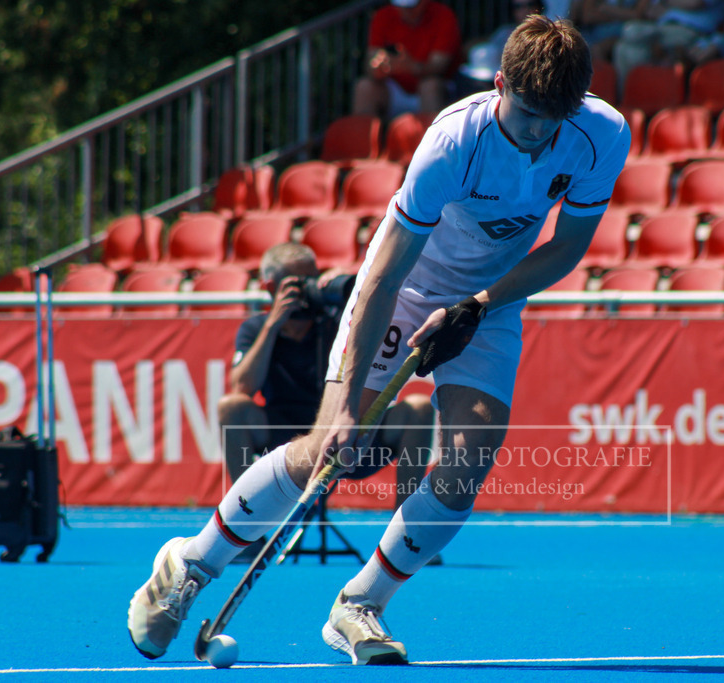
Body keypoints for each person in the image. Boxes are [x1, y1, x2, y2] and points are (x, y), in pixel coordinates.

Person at [128, 15, 631, 665]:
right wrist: (342, 408)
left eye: (552, 120)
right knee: (326, 448)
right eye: (528, 114)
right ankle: (191, 562)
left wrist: (477, 307)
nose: (538, 136)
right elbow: (382, 277)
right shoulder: (453, 142)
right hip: (407, 286)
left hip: (491, 300)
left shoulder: (600, 134)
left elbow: (566, 248)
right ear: (500, 83)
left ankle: (359, 604)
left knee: (470, 456)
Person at [218, 243, 435, 562]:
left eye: (311, 280)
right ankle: (247, 531)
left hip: (349, 433)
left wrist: (347, 289)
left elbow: (377, 312)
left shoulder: (337, 322)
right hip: (286, 444)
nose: (305, 291)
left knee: (418, 407)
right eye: (296, 283)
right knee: (231, 406)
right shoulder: (256, 328)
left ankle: (404, 536)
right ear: (270, 287)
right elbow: (243, 387)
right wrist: (273, 325)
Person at [352, 0, 462, 119]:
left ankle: (433, 135)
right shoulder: (383, 16)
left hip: (435, 92)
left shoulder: (444, 15)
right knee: (365, 87)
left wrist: (411, 66)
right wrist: (377, 69)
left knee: (429, 86)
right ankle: (362, 136)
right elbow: (370, 63)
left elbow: (438, 68)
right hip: (395, 89)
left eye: (411, 6)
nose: (405, 11)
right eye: (400, 6)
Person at [614, 0, 724, 97]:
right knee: (622, 49)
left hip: (691, 31)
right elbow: (650, 11)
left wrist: (666, 3)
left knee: (632, 31)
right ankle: (627, 100)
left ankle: (632, 99)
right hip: (663, 28)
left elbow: (695, 3)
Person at [456, 0, 544, 98]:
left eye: (530, 5)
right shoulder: (504, 33)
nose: (525, 10)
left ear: (540, 7)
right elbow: (481, 49)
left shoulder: (551, 34)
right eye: (518, 6)